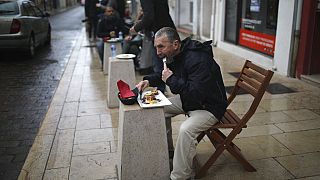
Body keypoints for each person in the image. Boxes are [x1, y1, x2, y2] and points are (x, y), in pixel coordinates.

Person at [135, 27, 228, 180]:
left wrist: (171, 80)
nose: (158, 52)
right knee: (157, 108)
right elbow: (165, 74)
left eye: (161, 46)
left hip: (209, 106)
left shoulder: (198, 60)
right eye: (156, 47)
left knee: (186, 130)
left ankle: (180, 176)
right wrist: (148, 80)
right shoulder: (178, 54)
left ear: (175, 44)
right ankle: (168, 152)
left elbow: (196, 92)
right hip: (191, 101)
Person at [130, 0, 176, 92]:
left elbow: (149, 17)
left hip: (158, 33)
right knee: (164, 64)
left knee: (159, 65)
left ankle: (160, 92)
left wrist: (136, 28)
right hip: (168, 30)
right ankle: (161, 89)